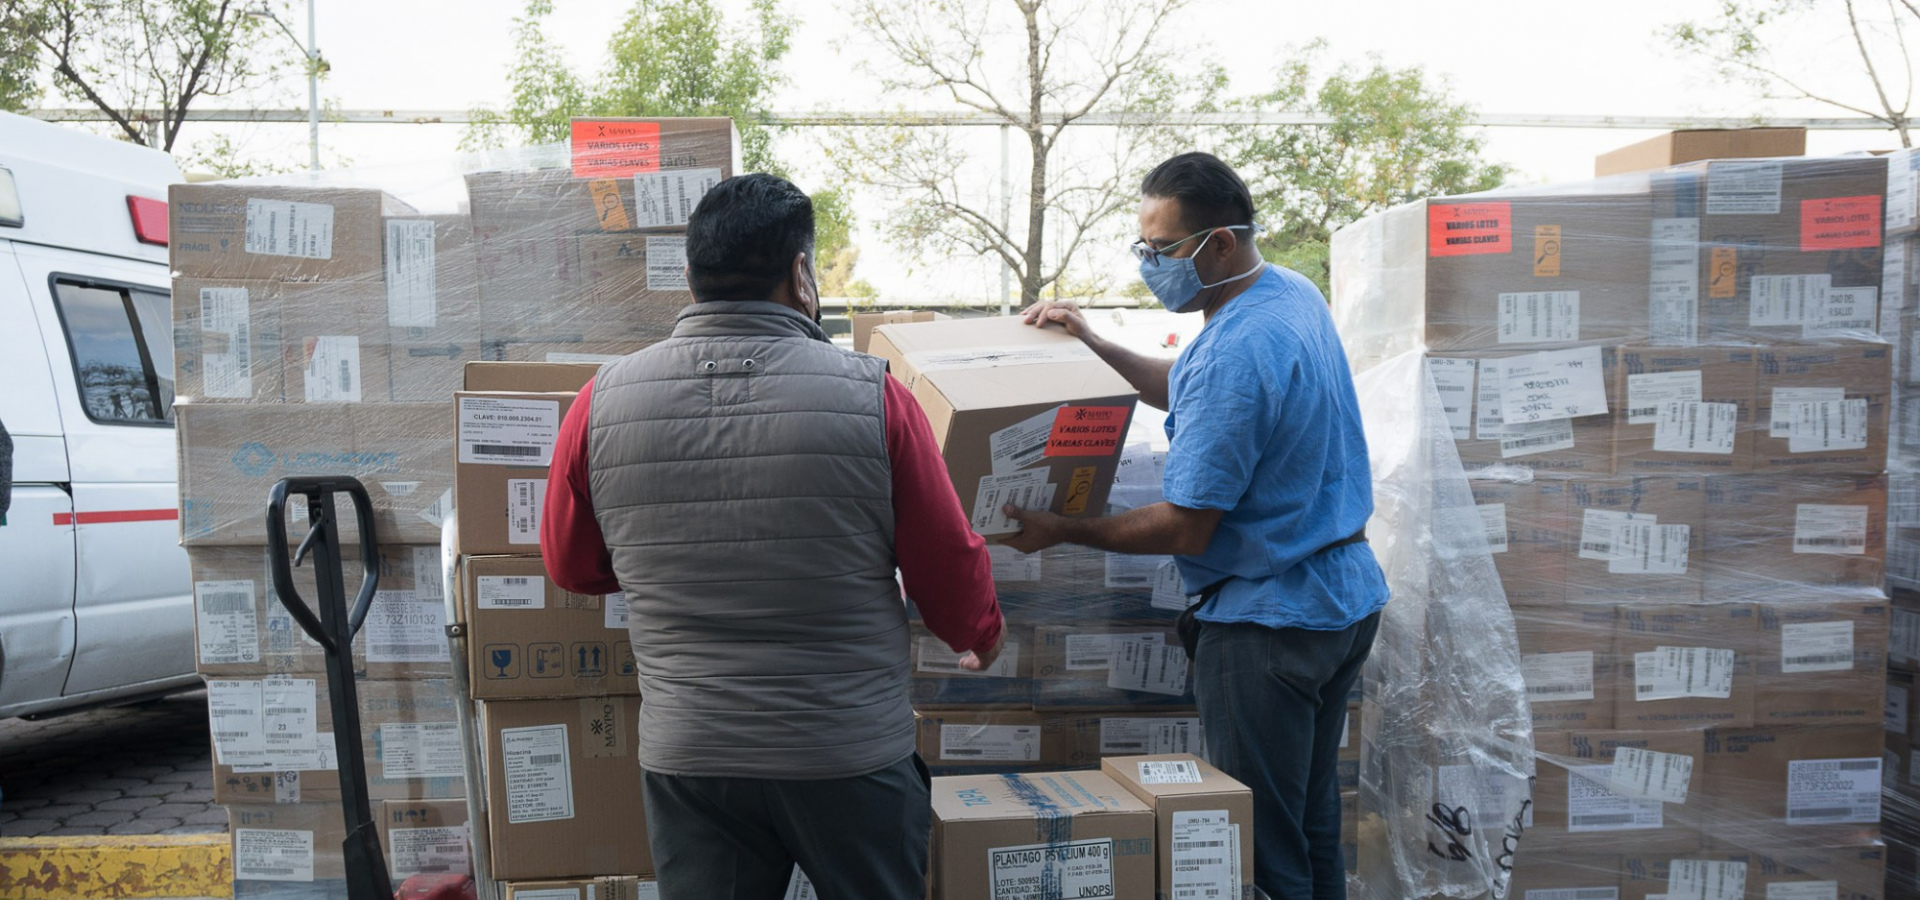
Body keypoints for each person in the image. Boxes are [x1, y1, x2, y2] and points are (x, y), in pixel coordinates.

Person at [540, 174, 1005, 900]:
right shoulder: (873, 396)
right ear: (800, 273)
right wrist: (979, 631)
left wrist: (671, 562)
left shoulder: (601, 401)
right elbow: (945, 561)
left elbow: (572, 565)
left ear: (691, 278)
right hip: (845, 753)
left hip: (694, 757)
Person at [1003, 151, 1388, 900]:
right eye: (1142, 247)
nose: (1151, 265)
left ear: (1219, 243)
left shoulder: (1237, 348)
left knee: (1265, 849)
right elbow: (1190, 385)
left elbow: (1186, 527)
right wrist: (1095, 343)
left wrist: (1062, 528)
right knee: (1310, 825)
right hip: (1341, 601)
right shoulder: (1286, 296)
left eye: (1163, 250)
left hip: (1268, 627)